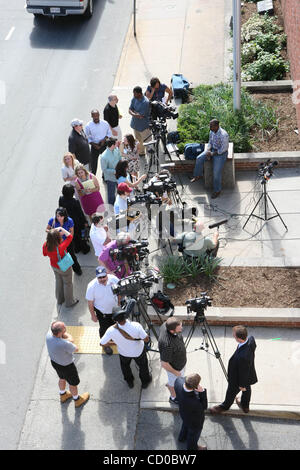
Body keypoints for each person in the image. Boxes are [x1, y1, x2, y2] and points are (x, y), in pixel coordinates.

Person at [100, 306, 152, 389]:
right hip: (138, 352)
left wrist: (115, 343)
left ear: (114, 319)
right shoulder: (136, 325)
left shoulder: (111, 330)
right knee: (143, 367)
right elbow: (146, 340)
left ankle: (129, 382)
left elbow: (102, 343)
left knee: (125, 367)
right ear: (125, 316)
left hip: (124, 353)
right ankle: (145, 382)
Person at [210, 325, 258, 415]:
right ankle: (245, 406)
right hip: (249, 375)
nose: (233, 335)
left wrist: (241, 385)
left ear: (239, 338)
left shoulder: (243, 357)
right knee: (247, 390)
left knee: (231, 393)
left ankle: (225, 406)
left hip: (238, 380)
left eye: (234, 335)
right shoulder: (251, 340)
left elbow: (243, 372)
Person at [46, 321, 90, 408]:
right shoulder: (64, 343)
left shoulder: (48, 335)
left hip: (55, 362)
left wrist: (64, 336)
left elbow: (61, 339)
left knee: (62, 378)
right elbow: (75, 349)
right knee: (73, 383)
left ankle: (63, 394)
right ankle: (77, 400)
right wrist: (69, 337)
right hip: (67, 366)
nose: (66, 329)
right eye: (64, 329)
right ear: (60, 333)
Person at [190, 119, 229, 199]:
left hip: (221, 154)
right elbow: (210, 142)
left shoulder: (223, 135)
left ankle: (217, 190)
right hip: (212, 150)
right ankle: (198, 175)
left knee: (216, 173)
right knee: (199, 158)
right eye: (210, 125)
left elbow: (223, 149)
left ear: (216, 126)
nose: (210, 127)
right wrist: (207, 150)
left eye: (211, 126)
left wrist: (212, 154)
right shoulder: (212, 132)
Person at [86, 266, 120, 355]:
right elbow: (90, 302)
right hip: (102, 313)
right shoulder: (91, 286)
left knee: (115, 326)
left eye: (104, 276)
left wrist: (119, 304)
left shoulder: (114, 280)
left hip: (115, 310)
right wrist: (93, 315)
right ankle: (105, 344)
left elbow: (120, 293)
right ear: (96, 277)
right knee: (104, 329)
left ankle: (113, 338)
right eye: (99, 277)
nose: (102, 279)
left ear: (107, 275)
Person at [42, 227, 79, 308]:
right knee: (67, 283)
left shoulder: (45, 245)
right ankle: (69, 302)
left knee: (58, 281)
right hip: (64, 267)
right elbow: (70, 236)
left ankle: (60, 299)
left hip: (54, 266)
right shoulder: (61, 247)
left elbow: (44, 254)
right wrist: (62, 229)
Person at [174, 373, 208, 451]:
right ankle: (192, 448)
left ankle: (182, 438)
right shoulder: (194, 402)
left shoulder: (178, 381)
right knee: (193, 435)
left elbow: (181, 379)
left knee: (185, 424)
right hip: (194, 422)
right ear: (195, 386)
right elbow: (204, 407)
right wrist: (202, 392)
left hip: (184, 413)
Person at [158, 317, 187, 405]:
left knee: (176, 380)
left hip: (180, 362)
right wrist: (176, 372)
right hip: (175, 368)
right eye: (179, 328)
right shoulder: (168, 345)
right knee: (173, 383)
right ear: (172, 331)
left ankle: (173, 383)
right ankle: (173, 397)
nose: (182, 329)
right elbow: (164, 363)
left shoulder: (165, 325)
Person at [46, 207, 82, 275]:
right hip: (57, 243)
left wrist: (66, 234)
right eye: (57, 216)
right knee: (60, 257)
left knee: (72, 255)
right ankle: (65, 269)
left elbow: (72, 232)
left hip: (67, 242)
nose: (59, 218)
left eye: (61, 216)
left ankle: (77, 269)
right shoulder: (52, 220)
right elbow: (47, 229)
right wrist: (55, 232)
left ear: (65, 216)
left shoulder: (69, 221)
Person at [58, 184, 90, 255]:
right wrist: (85, 221)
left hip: (67, 221)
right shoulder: (75, 201)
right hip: (77, 222)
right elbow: (80, 213)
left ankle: (77, 248)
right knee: (80, 236)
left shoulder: (61, 199)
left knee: (73, 236)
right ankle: (84, 249)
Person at [85, 109, 112, 175]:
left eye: (97, 116)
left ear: (99, 115)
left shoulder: (105, 123)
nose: (96, 117)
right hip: (94, 146)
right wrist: (93, 144)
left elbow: (109, 133)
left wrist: (104, 140)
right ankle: (93, 176)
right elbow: (86, 137)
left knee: (105, 161)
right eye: (94, 116)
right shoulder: (88, 126)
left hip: (104, 144)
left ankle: (105, 175)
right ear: (91, 116)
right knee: (93, 163)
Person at [129, 86, 151, 157]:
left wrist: (133, 113)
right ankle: (141, 153)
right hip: (135, 125)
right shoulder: (134, 99)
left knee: (147, 143)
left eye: (135, 93)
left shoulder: (145, 102)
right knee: (138, 141)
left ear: (139, 93)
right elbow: (130, 109)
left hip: (144, 127)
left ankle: (150, 156)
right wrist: (134, 113)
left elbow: (141, 115)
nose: (133, 95)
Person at [100, 138, 122, 206]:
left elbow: (119, 158)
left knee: (121, 191)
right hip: (111, 178)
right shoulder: (103, 156)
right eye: (116, 143)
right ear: (112, 145)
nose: (117, 144)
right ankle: (112, 208)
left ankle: (121, 204)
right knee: (111, 195)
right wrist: (115, 171)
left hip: (119, 175)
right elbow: (104, 169)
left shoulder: (116, 149)